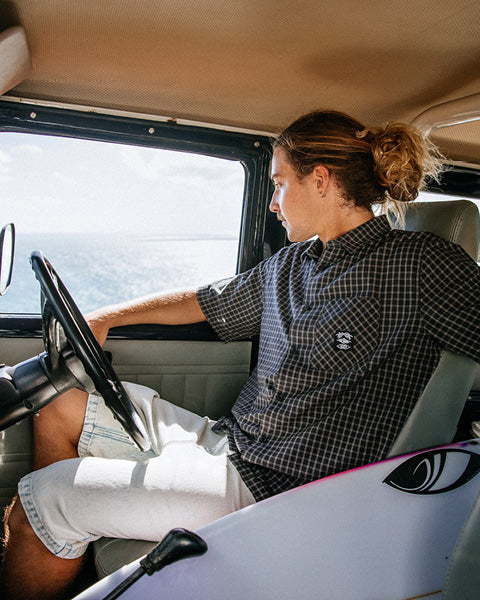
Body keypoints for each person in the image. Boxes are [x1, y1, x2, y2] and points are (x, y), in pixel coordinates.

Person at [2, 110, 479, 599]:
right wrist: (107, 317)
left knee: (43, 499)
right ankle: (59, 551)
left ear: (320, 181)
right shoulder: (292, 261)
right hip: (228, 441)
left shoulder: (423, 264)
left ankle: (48, 530)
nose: (273, 202)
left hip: (278, 486)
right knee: (60, 404)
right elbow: (204, 301)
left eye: (279, 183)